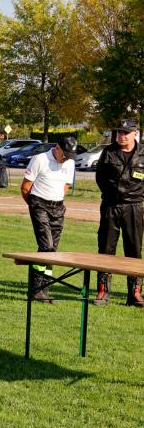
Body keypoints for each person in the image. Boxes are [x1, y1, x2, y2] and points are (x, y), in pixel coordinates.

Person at [20, 136, 77, 302]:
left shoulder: (70, 162)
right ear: (57, 148)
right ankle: (36, 288)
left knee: (53, 251)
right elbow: (25, 187)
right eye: (64, 155)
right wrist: (35, 207)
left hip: (58, 206)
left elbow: (66, 185)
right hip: (40, 204)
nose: (66, 159)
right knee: (47, 246)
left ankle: (44, 289)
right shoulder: (40, 159)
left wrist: (55, 199)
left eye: (70, 156)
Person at [93, 119, 144, 307]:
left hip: (134, 207)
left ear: (135, 133)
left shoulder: (143, 153)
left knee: (134, 250)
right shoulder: (108, 152)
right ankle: (103, 291)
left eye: (125, 133)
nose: (121, 136)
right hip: (111, 206)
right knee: (106, 248)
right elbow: (100, 178)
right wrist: (111, 194)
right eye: (119, 132)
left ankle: (135, 293)